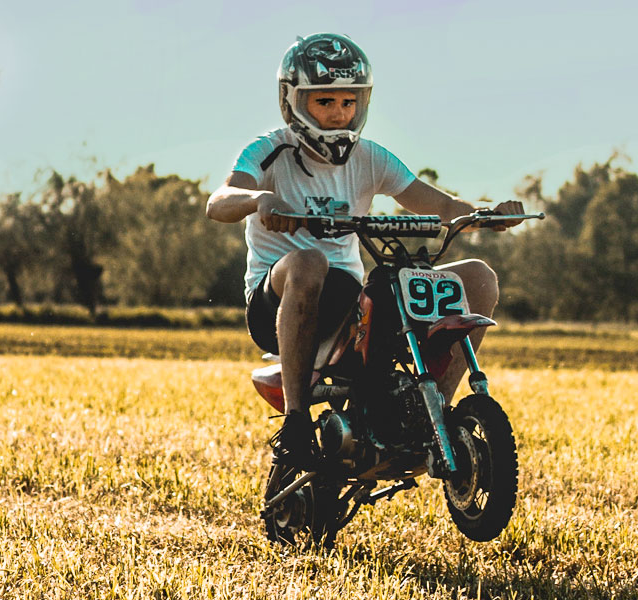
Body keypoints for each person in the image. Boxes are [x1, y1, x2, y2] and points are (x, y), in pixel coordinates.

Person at [205, 32, 523, 469]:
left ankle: (434, 420)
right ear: (293, 100)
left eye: (348, 102)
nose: (339, 113)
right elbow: (217, 203)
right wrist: (259, 201)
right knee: (310, 261)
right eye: (325, 101)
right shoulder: (269, 150)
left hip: (351, 306)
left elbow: (442, 205)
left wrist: (487, 215)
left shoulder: (370, 157)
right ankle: (296, 425)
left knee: (477, 276)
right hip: (278, 301)